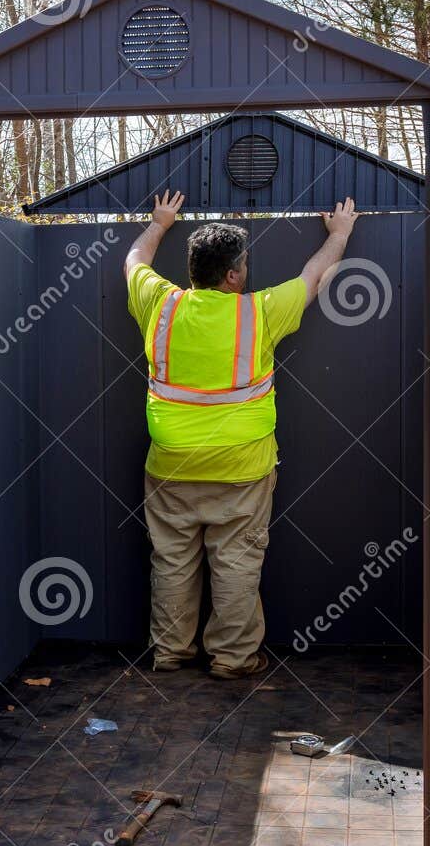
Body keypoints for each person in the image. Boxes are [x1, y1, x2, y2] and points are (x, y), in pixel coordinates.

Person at [124, 190, 359, 678]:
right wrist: (339, 235)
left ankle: (170, 653)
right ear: (233, 275)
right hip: (243, 470)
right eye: (244, 265)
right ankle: (232, 660)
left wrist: (160, 223)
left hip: (170, 466)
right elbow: (313, 277)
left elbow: (134, 260)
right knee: (235, 563)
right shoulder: (260, 312)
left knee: (171, 561)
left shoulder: (160, 305)